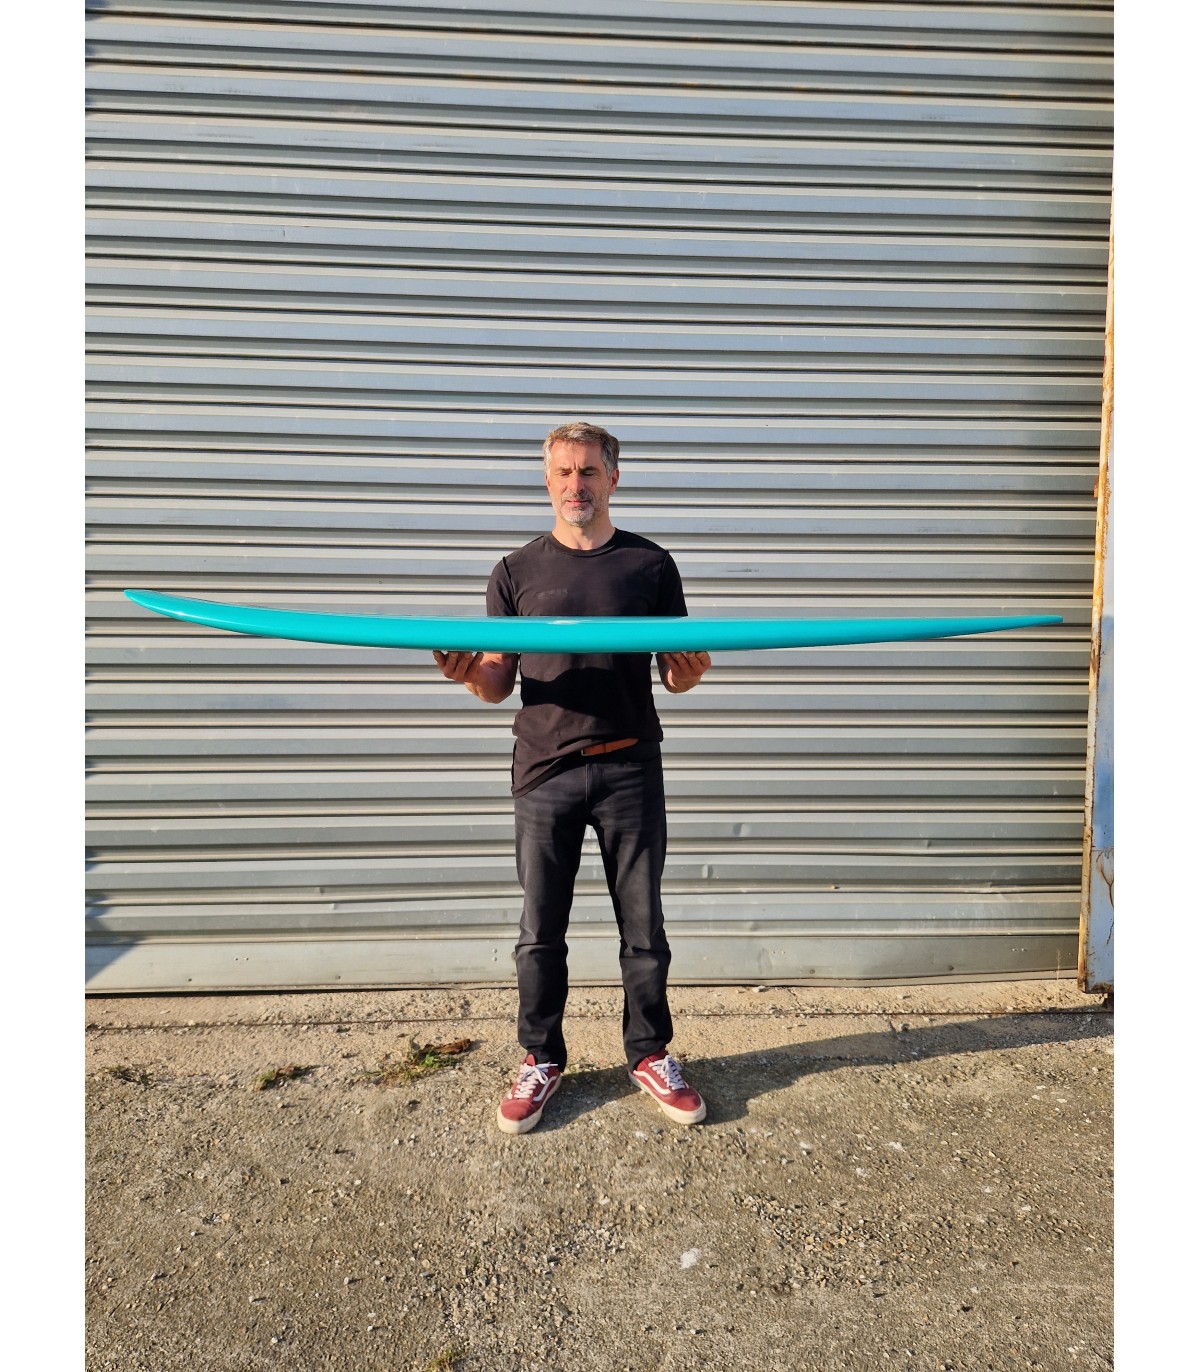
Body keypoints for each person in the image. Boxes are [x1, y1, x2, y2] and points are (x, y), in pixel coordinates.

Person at [434, 421, 712, 1134]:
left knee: (644, 928)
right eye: (563, 472)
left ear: (613, 479)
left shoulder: (650, 566)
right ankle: (541, 1058)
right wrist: (468, 675)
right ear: (547, 479)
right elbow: (497, 683)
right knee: (539, 932)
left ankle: (650, 1053)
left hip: (629, 765)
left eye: (588, 471)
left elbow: (674, 674)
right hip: (545, 770)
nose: (575, 485)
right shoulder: (515, 571)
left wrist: (688, 674)